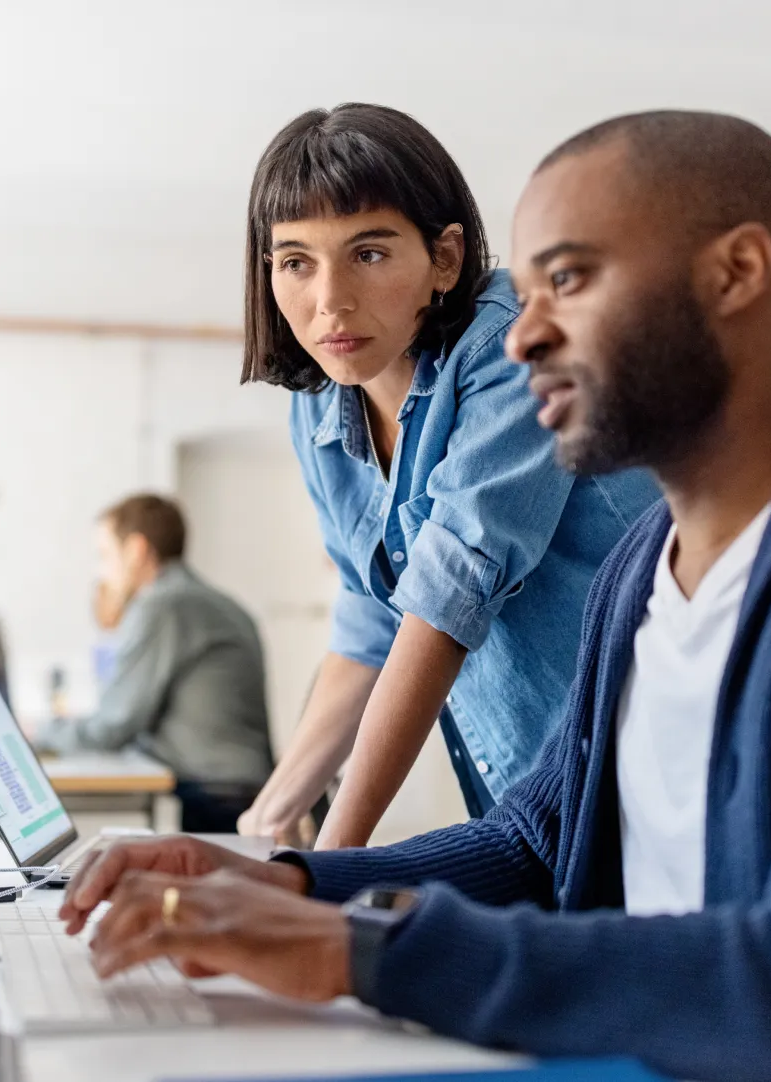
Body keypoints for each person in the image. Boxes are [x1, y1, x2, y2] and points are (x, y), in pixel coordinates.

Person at [55, 111, 771, 1082]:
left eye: (564, 279)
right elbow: (529, 841)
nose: (518, 335)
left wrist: (355, 946)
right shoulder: (641, 571)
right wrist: (284, 876)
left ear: (733, 274)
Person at [236, 103, 659, 848]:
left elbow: (446, 596)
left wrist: (329, 863)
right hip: (533, 803)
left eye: (368, 254)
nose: (329, 299)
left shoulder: (515, 348)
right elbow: (373, 622)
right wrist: (270, 820)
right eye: (296, 261)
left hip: (653, 772)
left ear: (446, 259)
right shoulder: (319, 406)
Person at [32, 494, 274, 833]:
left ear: (136, 550)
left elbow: (112, 727)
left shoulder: (163, 606)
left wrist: (39, 731)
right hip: (239, 790)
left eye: (104, 555)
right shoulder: (210, 600)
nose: (100, 571)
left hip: (213, 797)